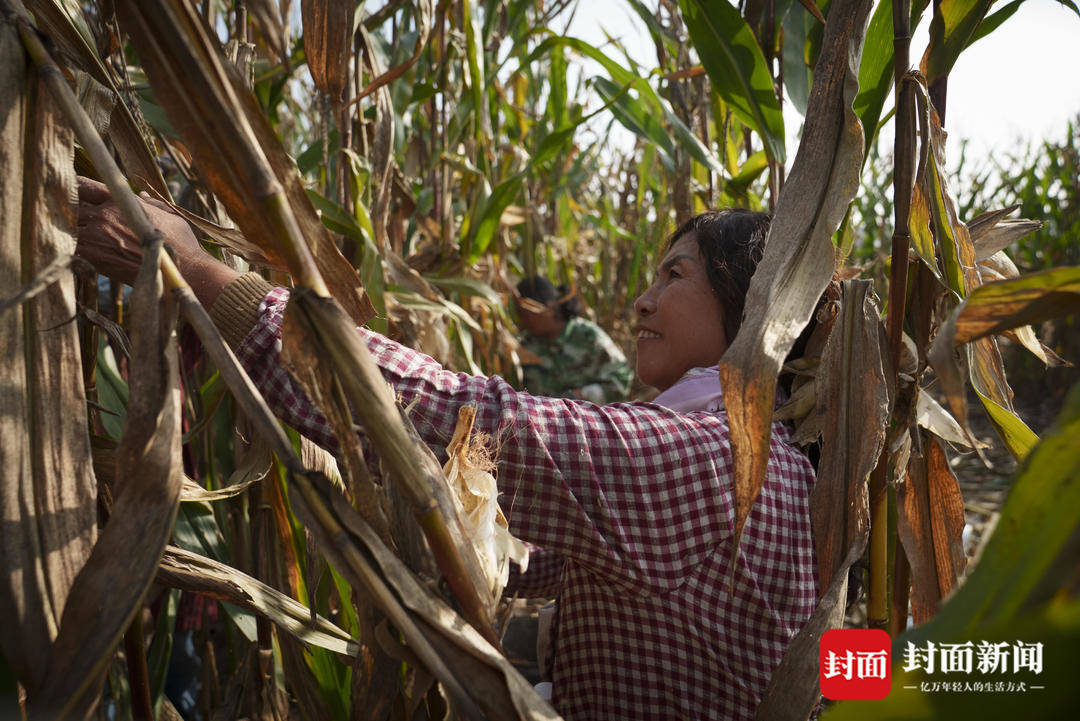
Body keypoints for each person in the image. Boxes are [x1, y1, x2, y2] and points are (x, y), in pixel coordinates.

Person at [77, 180, 816, 721]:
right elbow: (534, 553)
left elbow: (482, 434)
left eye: (675, 274)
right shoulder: (756, 451)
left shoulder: (716, 455)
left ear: (753, 310)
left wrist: (208, 281)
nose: (644, 300)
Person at [514, 275, 632, 403]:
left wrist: (581, 396)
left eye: (525, 315)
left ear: (548, 308)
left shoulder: (588, 337)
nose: (523, 323)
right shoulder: (526, 344)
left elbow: (621, 380)